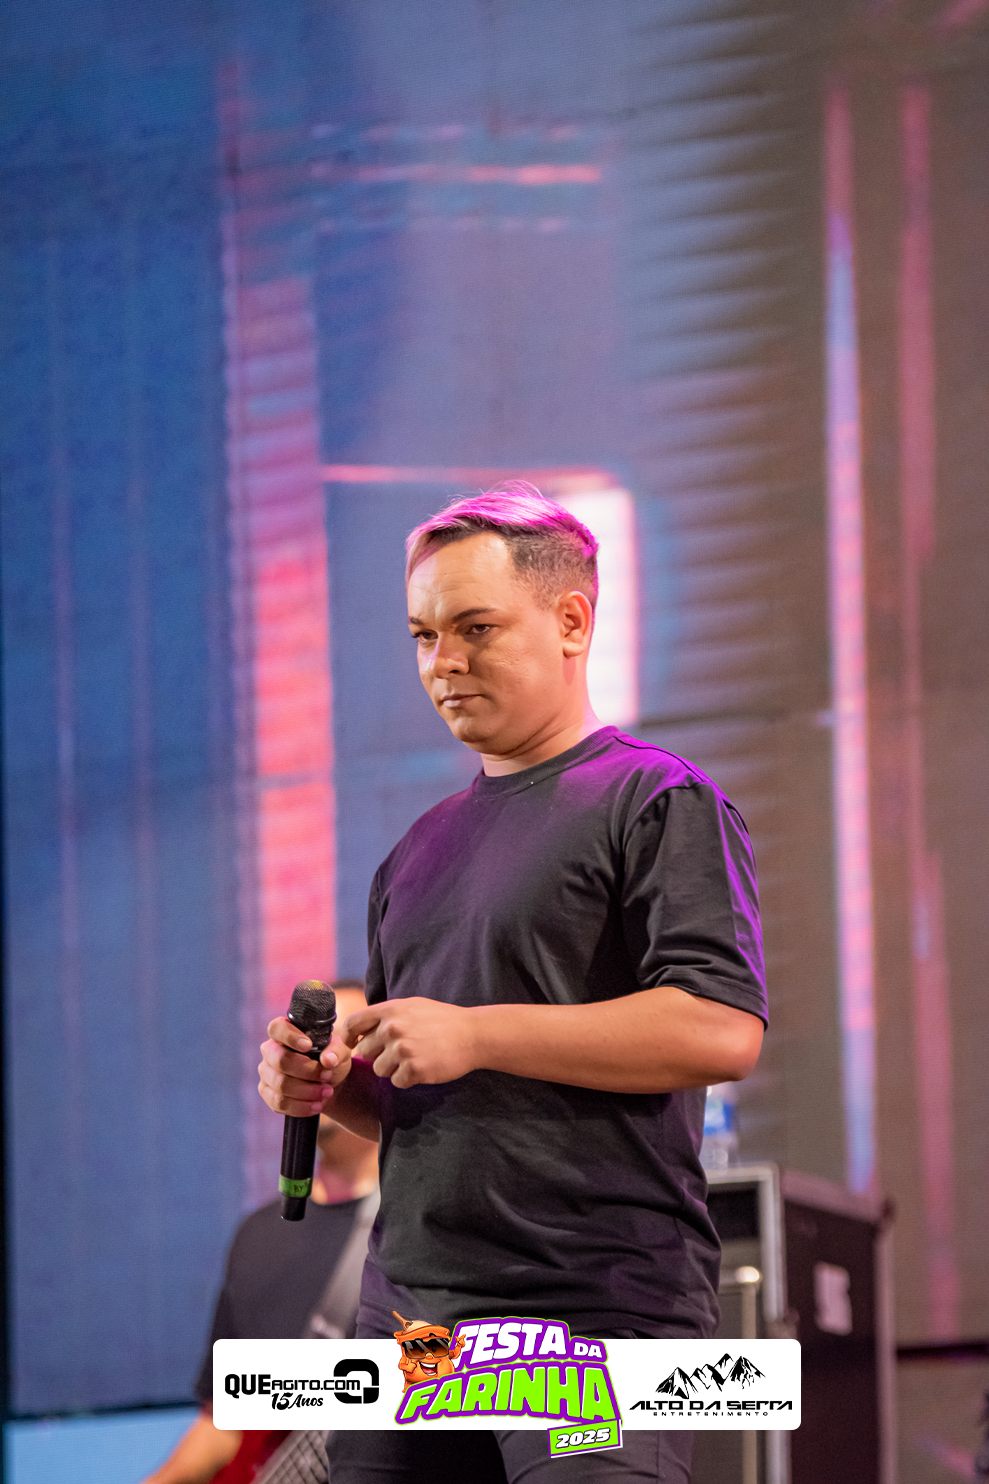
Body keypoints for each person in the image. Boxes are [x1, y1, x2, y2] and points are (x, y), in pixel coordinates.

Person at [257, 484, 768, 1482]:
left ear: (571, 621)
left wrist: (477, 1032)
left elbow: (718, 1027)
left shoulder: (654, 797)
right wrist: (330, 1088)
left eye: (474, 628)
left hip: (587, 1309)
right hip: (414, 1322)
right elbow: (421, 1105)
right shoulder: (414, 854)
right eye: (422, 636)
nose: (441, 663)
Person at [143, 983, 378, 1484]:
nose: (320, 1062)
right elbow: (223, 1424)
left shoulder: (421, 1227)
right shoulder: (256, 1236)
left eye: (341, 1044)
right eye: (310, 1046)